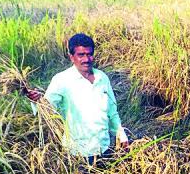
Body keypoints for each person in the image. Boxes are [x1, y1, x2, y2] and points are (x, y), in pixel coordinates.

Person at [27, 33, 128, 164]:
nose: (86, 59)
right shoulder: (61, 80)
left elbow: (112, 111)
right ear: (71, 57)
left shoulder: (102, 78)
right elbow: (47, 109)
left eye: (89, 54)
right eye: (81, 55)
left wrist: (120, 134)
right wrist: (37, 101)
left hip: (104, 148)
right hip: (78, 154)